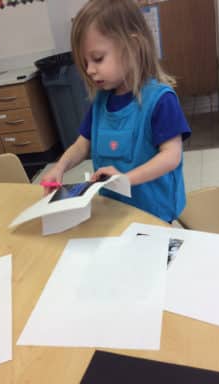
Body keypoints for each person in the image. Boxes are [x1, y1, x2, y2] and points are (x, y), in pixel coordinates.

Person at [42, 0, 191, 223]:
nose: (90, 70)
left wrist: (125, 179)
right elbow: (83, 144)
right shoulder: (101, 101)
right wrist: (60, 167)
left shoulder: (160, 100)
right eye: (85, 62)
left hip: (153, 212)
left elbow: (171, 156)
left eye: (98, 58)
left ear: (132, 46)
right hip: (115, 209)